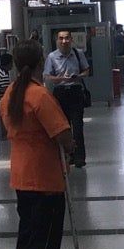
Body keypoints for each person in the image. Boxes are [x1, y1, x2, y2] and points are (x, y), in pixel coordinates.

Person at [0, 40, 73, 249]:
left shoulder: (10, 94)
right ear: (41, 61)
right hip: (45, 178)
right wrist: (71, 147)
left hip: (21, 176)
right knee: (45, 242)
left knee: (28, 238)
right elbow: (62, 134)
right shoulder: (40, 96)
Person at [44, 29, 91, 167]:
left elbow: (86, 71)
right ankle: (67, 156)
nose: (64, 41)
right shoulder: (52, 57)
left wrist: (79, 76)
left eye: (66, 38)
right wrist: (59, 79)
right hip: (60, 92)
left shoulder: (78, 53)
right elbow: (47, 76)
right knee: (63, 127)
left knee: (77, 126)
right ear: (57, 40)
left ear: (71, 40)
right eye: (61, 38)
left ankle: (79, 158)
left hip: (75, 91)